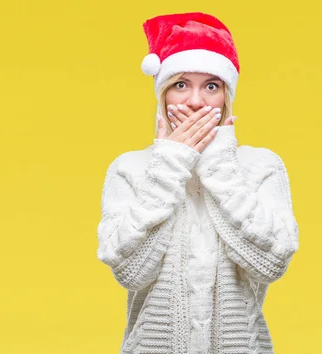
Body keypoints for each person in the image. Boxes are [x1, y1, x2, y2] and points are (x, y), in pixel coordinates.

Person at [96, 12, 299, 354]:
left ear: (225, 97)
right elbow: (130, 273)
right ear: (162, 93)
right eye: (180, 84)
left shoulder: (261, 165)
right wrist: (169, 165)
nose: (195, 101)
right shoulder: (129, 168)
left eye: (211, 86)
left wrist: (220, 169)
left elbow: (271, 264)